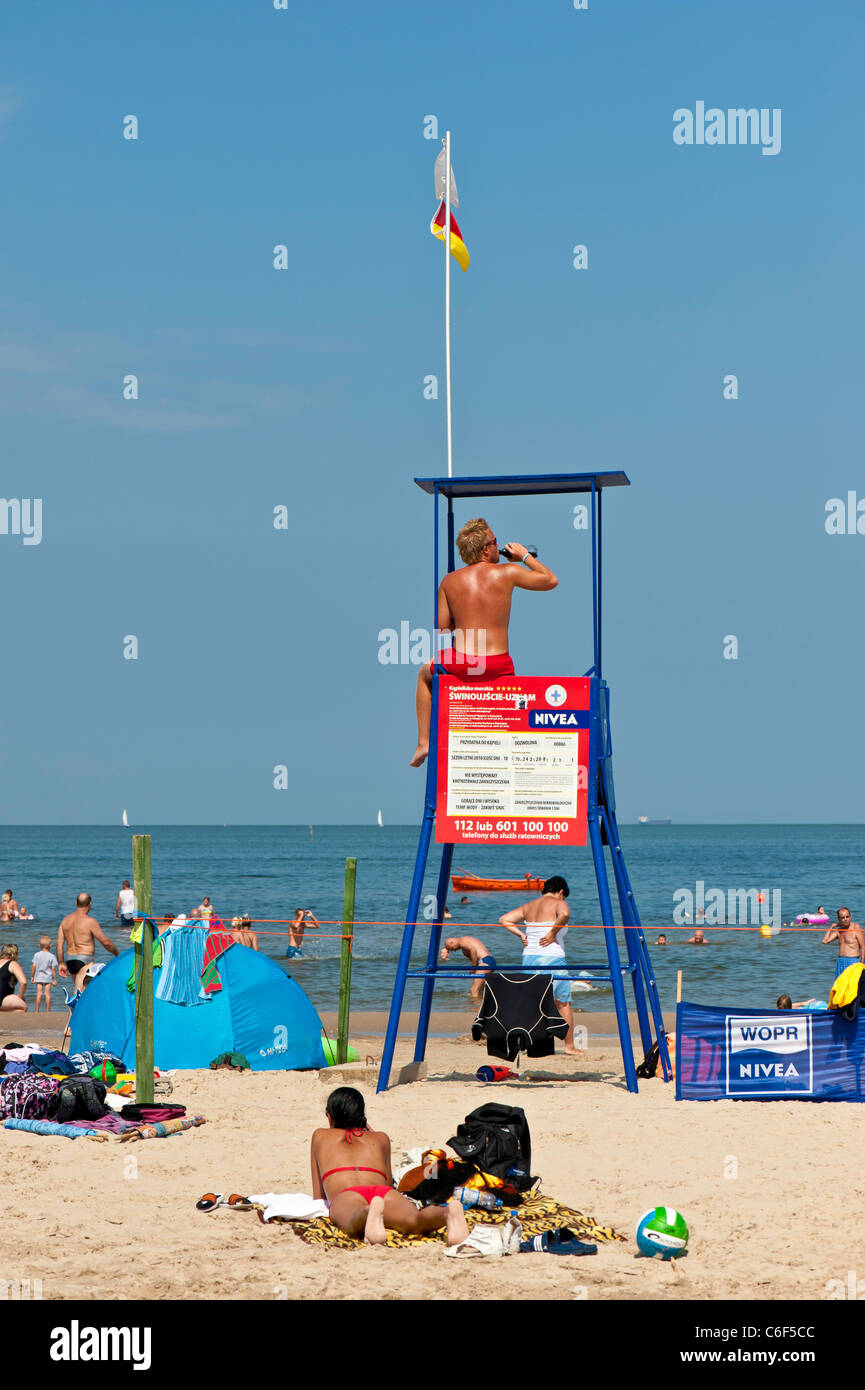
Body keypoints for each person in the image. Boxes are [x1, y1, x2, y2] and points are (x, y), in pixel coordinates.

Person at [410, 518, 559, 766]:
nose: (498, 546)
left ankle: (423, 743)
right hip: (499, 665)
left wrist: (466, 615)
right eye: (495, 542)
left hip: (463, 664)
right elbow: (550, 580)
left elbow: (443, 627)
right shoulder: (507, 572)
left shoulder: (449, 581)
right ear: (485, 549)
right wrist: (524, 556)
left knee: (425, 673)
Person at [310, 1087, 470, 1247]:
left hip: (347, 1193)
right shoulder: (381, 1138)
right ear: (362, 1117)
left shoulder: (320, 1136)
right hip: (382, 1192)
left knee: (352, 1221)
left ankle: (368, 1213)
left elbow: (319, 1196)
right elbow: (387, 1184)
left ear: (329, 1117)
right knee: (413, 1221)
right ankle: (447, 1213)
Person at [497, 874, 581, 1055]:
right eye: (564, 896)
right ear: (560, 892)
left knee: (534, 1002)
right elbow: (565, 914)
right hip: (551, 957)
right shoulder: (559, 902)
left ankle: (528, 1044)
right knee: (563, 1003)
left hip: (529, 958)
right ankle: (569, 1046)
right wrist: (552, 933)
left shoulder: (529, 905)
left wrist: (520, 934)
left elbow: (504, 919)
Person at [56, 893, 119, 993]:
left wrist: (61, 963)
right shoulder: (90, 921)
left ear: (76, 903)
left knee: (78, 991)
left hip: (70, 960)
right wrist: (117, 954)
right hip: (85, 960)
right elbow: (105, 942)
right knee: (80, 994)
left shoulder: (65, 921)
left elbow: (59, 943)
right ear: (90, 904)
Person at [439, 935, 497, 1000]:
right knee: (481, 990)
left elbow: (473, 950)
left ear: (452, 942)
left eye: (452, 949)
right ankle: (480, 1005)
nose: (454, 951)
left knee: (474, 990)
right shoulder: (466, 941)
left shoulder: (462, 941)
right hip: (488, 961)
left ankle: (474, 1009)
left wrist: (473, 968)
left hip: (485, 962)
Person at [821, 907, 865, 977]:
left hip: (853, 961)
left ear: (850, 917)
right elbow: (824, 941)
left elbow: (863, 947)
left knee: (852, 986)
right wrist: (831, 927)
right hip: (840, 961)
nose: (845, 919)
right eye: (843, 918)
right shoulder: (839, 931)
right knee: (839, 986)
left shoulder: (856, 928)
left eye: (847, 917)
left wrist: (862, 964)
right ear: (839, 919)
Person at [30, 936, 58, 1013]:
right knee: (47, 994)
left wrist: (32, 976)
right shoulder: (52, 956)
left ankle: (36, 1010)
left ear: (39, 945)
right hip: (48, 978)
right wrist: (55, 979)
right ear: (50, 945)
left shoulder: (37, 955)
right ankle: (48, 1011)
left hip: (38, 977)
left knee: (39, 993)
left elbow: (34, 966)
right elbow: (53, 969)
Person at [0, 944, 27, 1012]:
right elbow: (23, 982)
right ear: (15, 954)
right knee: (23, 1007)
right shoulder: (12, 963)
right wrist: (19, 997)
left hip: (4, 999)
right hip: (3, 998)